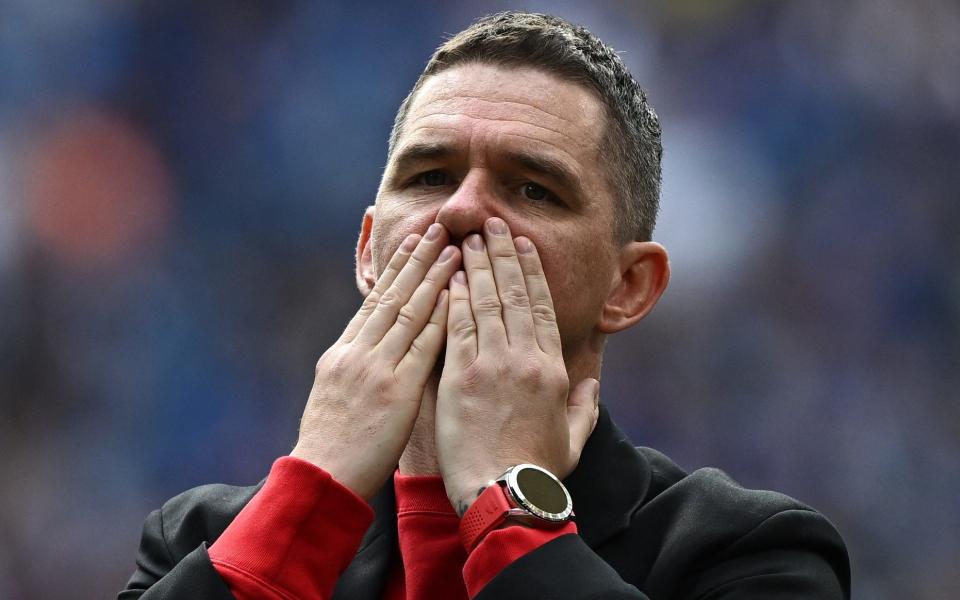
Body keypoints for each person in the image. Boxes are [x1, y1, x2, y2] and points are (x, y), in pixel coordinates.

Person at [120, 11, 850, 600]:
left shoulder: (749, 554)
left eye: (534, 189)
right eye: (430, 176)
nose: (464, 210)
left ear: (629, 287)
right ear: (369, 251)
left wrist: (511, 504)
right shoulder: (200, 540)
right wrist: (315, 492)